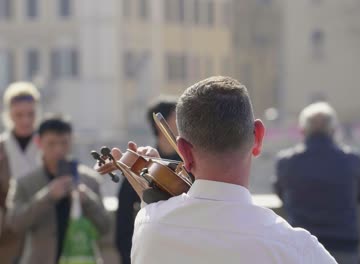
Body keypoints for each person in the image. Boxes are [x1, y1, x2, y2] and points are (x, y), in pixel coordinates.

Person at [99, 76, 337, 264]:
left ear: (183, 151)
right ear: (258, 138)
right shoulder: (298, 250)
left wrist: (151, 197)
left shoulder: (149, 227)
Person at [274, 102, 360, 264]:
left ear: (302, 131)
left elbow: (280, 193)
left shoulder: (287, 162)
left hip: (302, 250)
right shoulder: (352, 160)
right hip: (345, 248)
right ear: (333, 131)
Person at [6, 115, 110, 264]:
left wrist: (86, 198)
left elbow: (105, 227)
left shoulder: (90, 181)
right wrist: (47, 196)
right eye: (51, 144)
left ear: (71, 141)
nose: (58, 150)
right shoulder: (25, 182)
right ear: (39, 143)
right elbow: (15, 224)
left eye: (64, 143)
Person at [115, 97, 181, 264]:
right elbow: (123, 221)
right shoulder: (142, 165)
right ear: (161, 124)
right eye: (177, 117)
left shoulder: (188, 166)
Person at [0, 82, 42, 262]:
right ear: (9, 114)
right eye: (19, 115)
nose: (25, 120)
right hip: (8, 236)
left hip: (42, 232)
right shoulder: (2, 148)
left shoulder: (48, 144)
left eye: (30, 114)